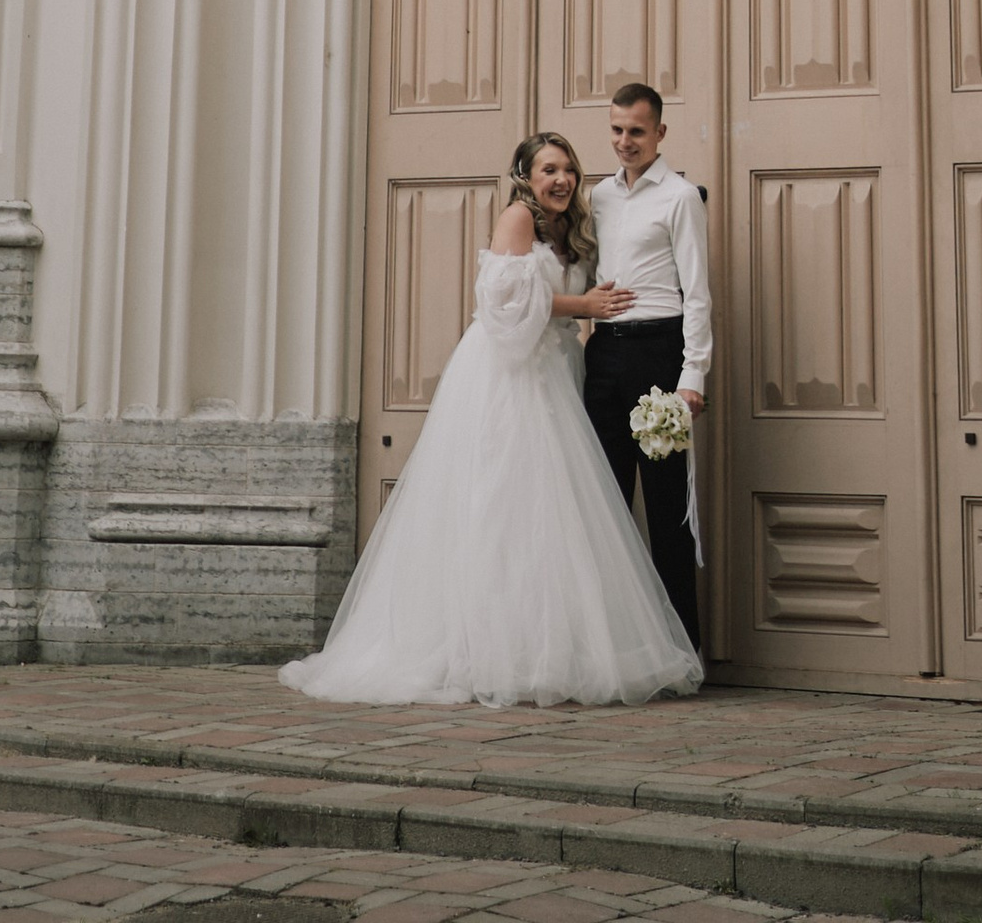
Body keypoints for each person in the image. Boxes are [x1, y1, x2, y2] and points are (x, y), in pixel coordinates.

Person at [280, 127, 703, 706]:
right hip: (510, 374)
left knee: (552, 513)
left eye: (568, 170)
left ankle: (547, 645)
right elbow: (499, 302)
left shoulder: (574, 225)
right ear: (526, 177)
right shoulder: (518, 220)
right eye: (548, 170)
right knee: (502, 499)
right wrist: (583, 306)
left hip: (557, 369)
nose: (561, 180)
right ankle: (480, 648)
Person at [583, 81, 709, 652]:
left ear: (659, 132)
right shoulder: (598, 197)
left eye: (636, 130)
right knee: (605, 505)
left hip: (661, 353)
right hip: (605, 354)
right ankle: (615, 649)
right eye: (616, 130)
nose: (624, 141)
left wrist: (691, 379)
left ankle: (683, 651)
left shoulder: (680, 197)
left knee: (666, 513)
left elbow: (698, 293)